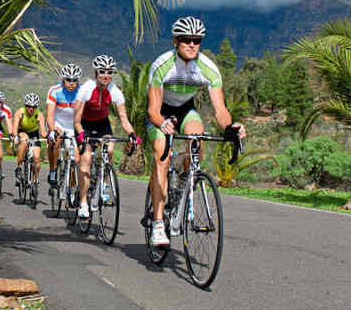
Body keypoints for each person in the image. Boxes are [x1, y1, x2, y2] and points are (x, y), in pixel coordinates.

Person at [146, 16, 246, 246]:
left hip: (186, 110)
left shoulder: (208, 68)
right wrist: (161, 122)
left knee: (196, 148)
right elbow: (153, 109)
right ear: (175, 41)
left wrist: (230, 128)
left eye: (197, 40)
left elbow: (220, 110)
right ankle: (159, 224)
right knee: (161, 155)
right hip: (161, 112)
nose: (192, 44)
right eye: (186, 40)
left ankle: (181, 182)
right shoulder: (162, 65)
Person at [73, 55, 137, 219]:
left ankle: (104, 183)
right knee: (86, 160)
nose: (106, 75)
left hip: (102, 124)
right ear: (96, 72)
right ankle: (83, 202)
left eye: (109, 72)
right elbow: (76, 120)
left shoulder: (115, 91)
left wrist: (132, 135)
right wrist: (81, 134)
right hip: (84, 125)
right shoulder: (87, 88)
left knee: (109, 150)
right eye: (102, 71)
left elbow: (124, 118)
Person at [45, 63, 82, 188]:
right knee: (55, 140)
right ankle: (53, 170)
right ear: (63, 79)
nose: (71, 83)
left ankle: (71, 189)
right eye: (68, 80)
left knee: (76, 159)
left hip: (73, 125)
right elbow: (50, 114)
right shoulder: (55, 91)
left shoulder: (82, 92)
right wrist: (51, 130)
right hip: (57, 122)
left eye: (74, 80)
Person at [12, 93, 48, 186]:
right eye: (28, 106)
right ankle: (19, 167)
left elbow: (43, 132)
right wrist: (15, 137)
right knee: (24, 140)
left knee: (37, 158)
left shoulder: (39, 114)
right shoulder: (20, 112)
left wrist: (49, 137)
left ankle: (34, 180)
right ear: (25, 105)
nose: (31, 108)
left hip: (34, 133)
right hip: (22, 131)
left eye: (34, 106)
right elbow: (14, 128)